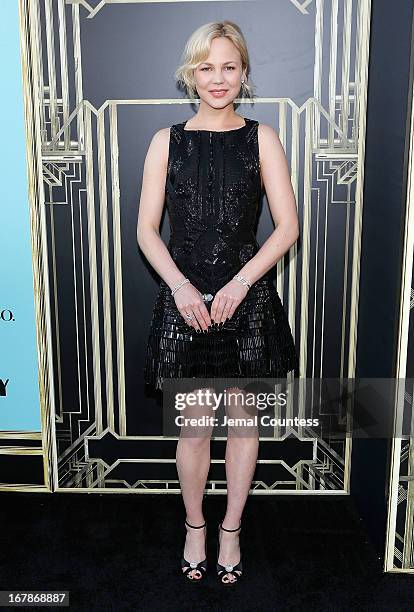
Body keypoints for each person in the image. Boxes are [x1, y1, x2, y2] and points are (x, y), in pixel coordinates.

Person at [137, 21, 299, 586]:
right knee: (196, 429)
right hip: (185, 305)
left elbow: (286, 227)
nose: (218, 78)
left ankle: (230, 528)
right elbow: (146, 230)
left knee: (244, 427)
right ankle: (194, 526)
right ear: (191, 73)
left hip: (246, 305)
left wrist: (239, 284)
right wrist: (182, 287)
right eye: (207, 67)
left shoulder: (263, 138)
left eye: (229, 66)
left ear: (244, 72)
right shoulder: (166, 141)